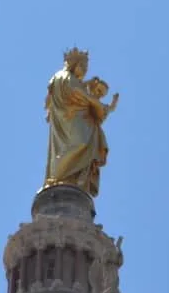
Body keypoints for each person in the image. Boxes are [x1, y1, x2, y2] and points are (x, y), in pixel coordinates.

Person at [43, 48, 119, 197]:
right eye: (82, 67)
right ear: (73, 64)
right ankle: (60, 176)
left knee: (83, 146)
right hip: (70, 122)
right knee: (81, 144)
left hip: (79, 121)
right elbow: (76, 94)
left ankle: (73, 179)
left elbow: (79, 92)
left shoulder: (74, 81)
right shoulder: (63, 76)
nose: (84, 71)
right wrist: (94, 102)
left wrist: (91, 96)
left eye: (86, 68)